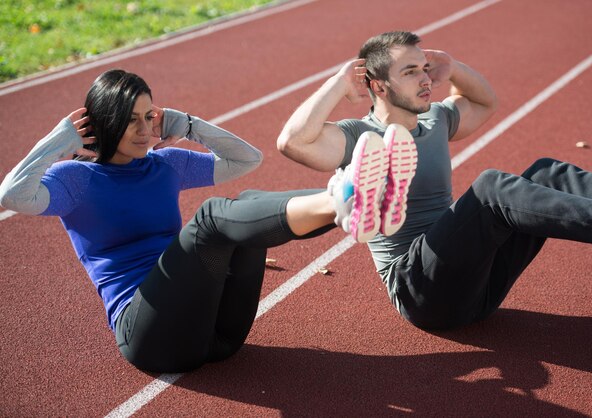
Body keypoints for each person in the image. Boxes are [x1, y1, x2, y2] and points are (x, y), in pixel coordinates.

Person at [0, 69, 408, 373]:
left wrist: (187, 124)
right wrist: (60, 139)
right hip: (149, 337)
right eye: (131, 120)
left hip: (218, 333)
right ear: (103, 123)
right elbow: (11, 195)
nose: (144, 130)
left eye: (149, 117)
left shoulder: (166, 163)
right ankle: (342, 198)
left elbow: (247, 160)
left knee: (249, 204)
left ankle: (352, 205)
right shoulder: (75, 179)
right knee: (212, 218)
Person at [277, 31, 592, 331]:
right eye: (410, 72)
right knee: (490, 189)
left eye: (425, 70)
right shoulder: (360, 138)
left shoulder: (436, 119)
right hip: (420, 292)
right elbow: (292, 142)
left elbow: (484, 102)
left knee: (549, 173)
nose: (425, 79)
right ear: (379, 85)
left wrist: (454, 67)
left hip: (478, 283)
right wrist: (339, 83)